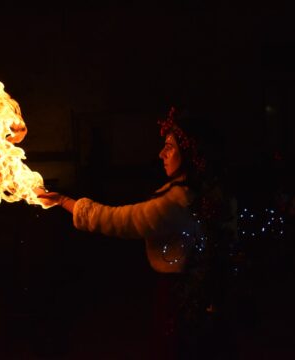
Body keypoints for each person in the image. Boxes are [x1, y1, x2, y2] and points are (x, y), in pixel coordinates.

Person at [36, 106, 238, 359]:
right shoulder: (209, 192)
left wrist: (64, 201)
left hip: (184, 299)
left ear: (190, 152)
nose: (162, 153)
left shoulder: (178, 201)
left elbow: (119, 220)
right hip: (204, 295)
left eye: (170, 146)